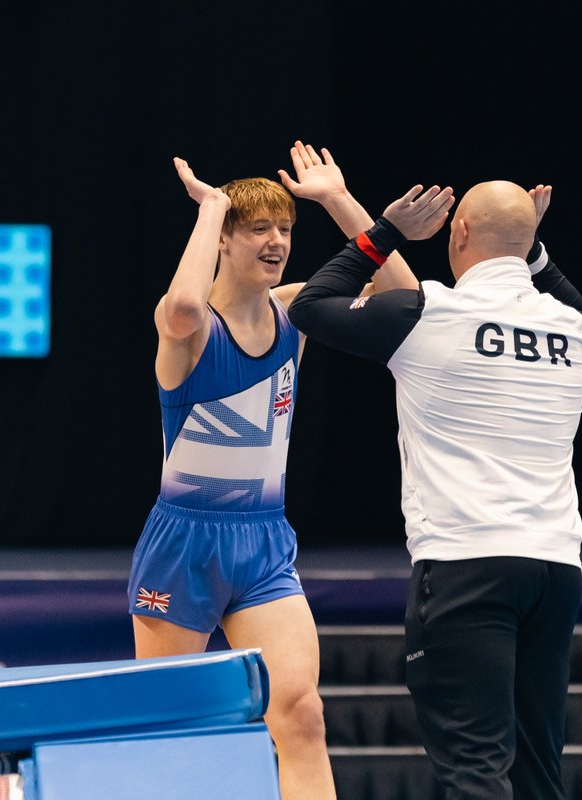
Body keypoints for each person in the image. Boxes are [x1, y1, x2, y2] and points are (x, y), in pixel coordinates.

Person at [128, 142, 417, 800]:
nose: (277, 241)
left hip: (262, 546)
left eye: (286, 228)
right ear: (226, 240)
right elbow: (181, 307)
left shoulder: (298, 313)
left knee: (302, 716)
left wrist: (339, 200)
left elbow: (405, 296)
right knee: (167, 730)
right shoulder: (193, 330)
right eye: (259, 227)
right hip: (184, 548)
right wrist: (212, 209)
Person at [288, 179, 582, 800]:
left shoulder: (430, 314)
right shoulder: (570, 324)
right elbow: (559, 286)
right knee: (538, 774)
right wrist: (528, 245)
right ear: (530, 242)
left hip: (466, 568)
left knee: (474, 771)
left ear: (456, 234)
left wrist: (387, 231)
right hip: (555, 569)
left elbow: (311, 305)